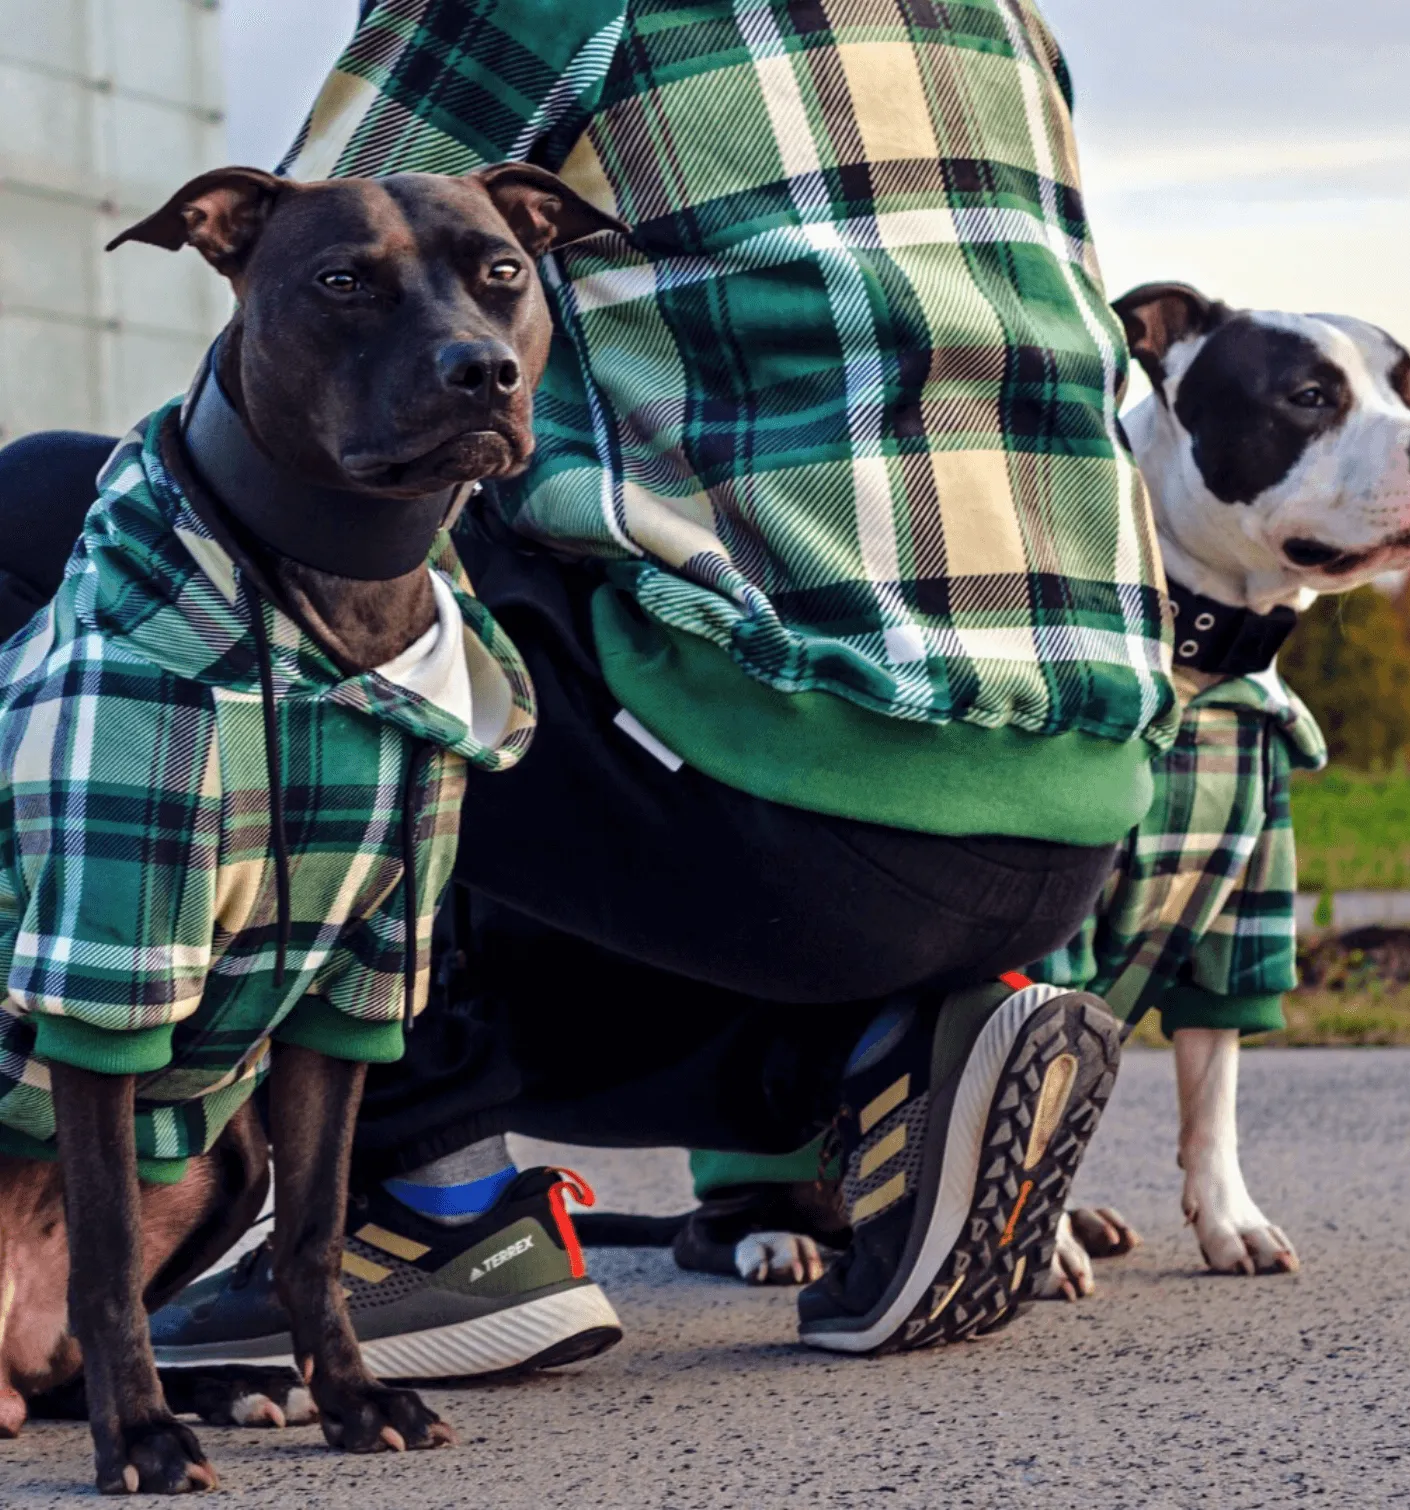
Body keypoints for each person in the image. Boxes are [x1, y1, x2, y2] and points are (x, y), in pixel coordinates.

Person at [0, 0, 1177, 1369]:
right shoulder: (1000, 16)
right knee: (490, 638)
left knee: (79, 523)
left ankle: (426, 1203)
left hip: (801, 775)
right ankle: (876, 1068)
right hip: (1070, 811)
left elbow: (340, 248)